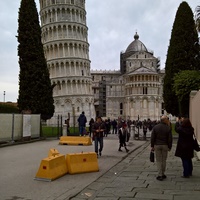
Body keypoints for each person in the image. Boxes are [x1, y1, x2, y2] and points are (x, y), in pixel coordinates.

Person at [151, 115, 173, 181]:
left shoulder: (155, 127)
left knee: (158, 160)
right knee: (164, 160)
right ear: (165, 120)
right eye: (167, 119)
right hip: (165, 145)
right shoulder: (167, 128)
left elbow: (152, 138)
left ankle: (160, 174)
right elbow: (170, 139)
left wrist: (152, 146)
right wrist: (170, 146)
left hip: (157, 145)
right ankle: (162, 173)